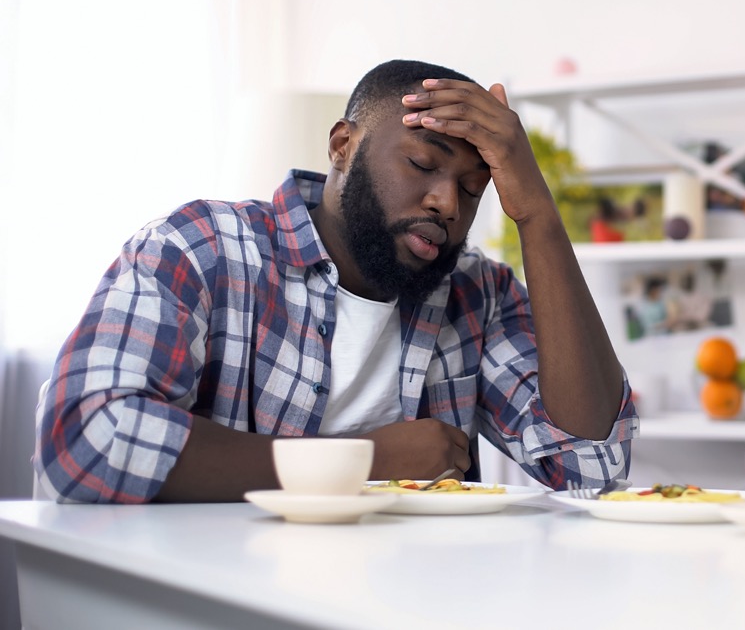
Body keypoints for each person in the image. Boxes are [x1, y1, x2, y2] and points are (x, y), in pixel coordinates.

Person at [33, 59, 638, 503]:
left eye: (475, 188)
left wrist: (536, 212)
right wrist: (364, 461)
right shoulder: (203, 248)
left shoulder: (478, 294)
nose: (447, 201)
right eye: (423, 164)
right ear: (343, 146)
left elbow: (592, 465)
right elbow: (86, 439)